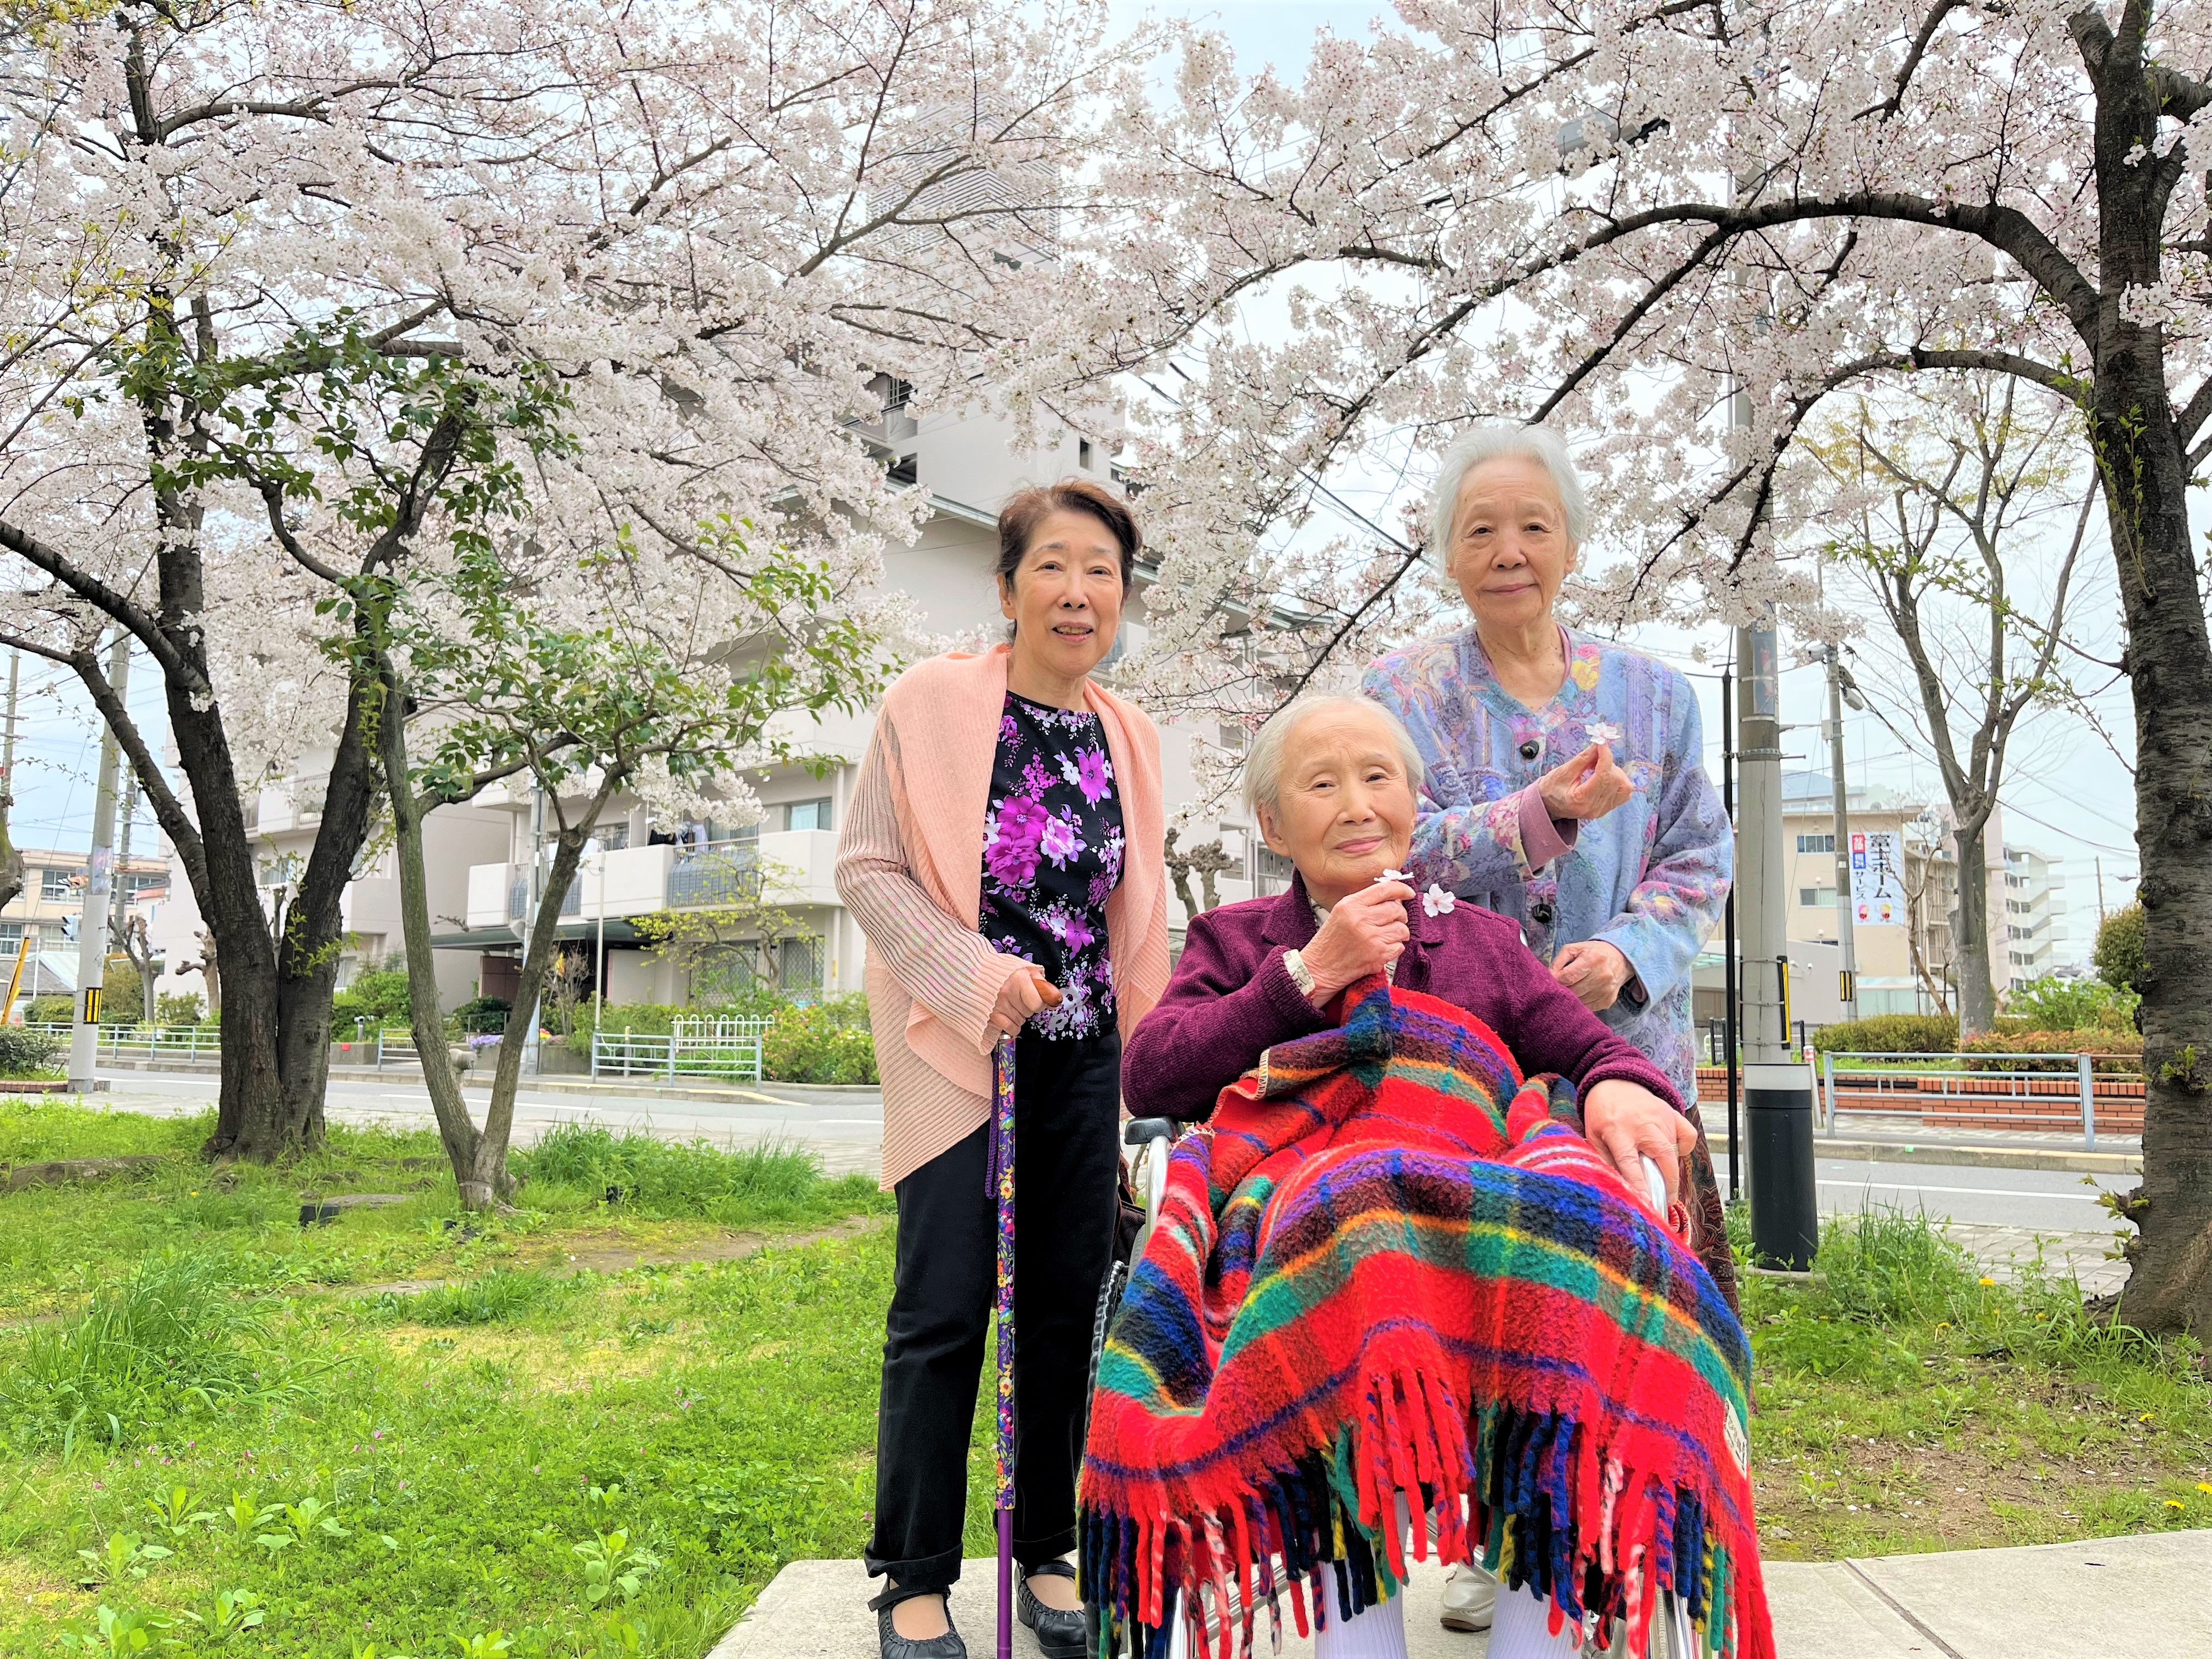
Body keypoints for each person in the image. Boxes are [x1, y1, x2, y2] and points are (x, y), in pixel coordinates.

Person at [1085, 695, 1767, 1659]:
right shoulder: (1237, 940)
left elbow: (1579, 1043)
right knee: (1347, 1216)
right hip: (1314, 1219)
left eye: (1379, 779)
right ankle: (1356, 1630)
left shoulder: (1479, 941)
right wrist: (1307, 975)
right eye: (1322, 784)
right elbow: (1154, 1074)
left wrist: (1617, 1082)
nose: (1358, 805)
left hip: (1472, 1216)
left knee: (1581, 1228)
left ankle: (1538, 1625)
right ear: (1274, 823)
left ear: (1414, 803)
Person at [1360, 425, 1735, 1638]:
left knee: (1633, 1304)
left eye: (1532, 525)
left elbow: (1700, 854)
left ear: (1571, 541)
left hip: (1628, 1066)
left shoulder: (1652, 696)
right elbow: (1382, 846)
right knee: (1487, 1307)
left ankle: (1645, 1534)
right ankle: (1487, 1544)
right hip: (1472, 1073)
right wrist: (1536, 814)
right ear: (1446, 553)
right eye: (1480, 530)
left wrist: (1625, 952)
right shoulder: (1400, 696)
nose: (1508, 550)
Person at [836, 478, 1169, 1659]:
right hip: (963, 1053)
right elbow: (869, 870)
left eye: (1103, 573)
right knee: (942, 1308)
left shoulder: (1131, 734)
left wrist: (1154, 1060)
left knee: (1067, 1307)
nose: (1080, 594)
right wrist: (983, 980)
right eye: (1055, 567)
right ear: (1009, 586)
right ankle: (914, 1574)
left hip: (1082, 1062)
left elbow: (1137, 915)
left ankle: (1045, 1548)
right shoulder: (928, 704)